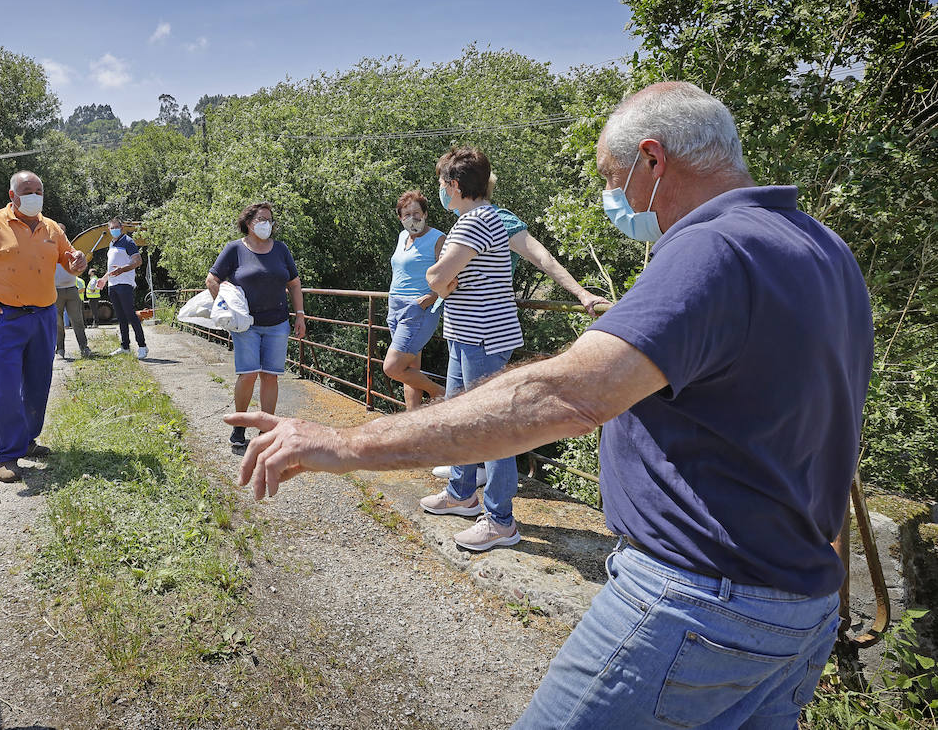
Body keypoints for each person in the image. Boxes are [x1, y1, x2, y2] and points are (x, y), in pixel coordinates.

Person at [233, 82, 873, 728]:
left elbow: (564, 395)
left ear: (653, 160)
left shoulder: (713, 248)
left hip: (700, 601)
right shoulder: (823, 247)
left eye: (611, 177)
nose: (613, 197)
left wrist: (341, 445)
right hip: (800, 610)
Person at [426, 172, 608, 480]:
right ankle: (463, 480)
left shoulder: (496, 219)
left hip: (484, 328)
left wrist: (581, 292)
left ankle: (482, 481)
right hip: (462, 326)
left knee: (485, 413)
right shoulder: (465, 220)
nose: (442, 191)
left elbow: (542, 257)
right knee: (460, 407)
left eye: (444, 186)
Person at [411, 146, 528, 552]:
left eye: (442, 184)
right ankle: (461, 493)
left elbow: (437, 277)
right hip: (470, 335)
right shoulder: (486, 218)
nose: (440, 191)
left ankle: (500, 521)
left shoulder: (473, 223)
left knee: (489, 429)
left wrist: (437, 277)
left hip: (481, 338)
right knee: (462, 416)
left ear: (455, 186)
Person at [0, 172, 86, 482]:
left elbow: (69, 259)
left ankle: (27, 441)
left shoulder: (51, 228)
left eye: (38, 190)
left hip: (44, 316)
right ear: (13, 195)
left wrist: (77, 263)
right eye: (27, 190)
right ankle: (7, 455)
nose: (34, 194)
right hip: (2, 318)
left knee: (38, 383)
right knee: (6, 387)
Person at [206, 202, 307, 453]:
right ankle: (239, 426)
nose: (267, 223)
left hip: (277, 323)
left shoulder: (281, 250)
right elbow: (212, 280)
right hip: (246, 326)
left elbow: (294, 284)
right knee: (248, 374)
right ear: (249, 223)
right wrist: (227, 309)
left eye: (269, 219)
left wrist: (300, 315)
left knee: (270, 376)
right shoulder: (235, 249)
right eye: (261, 219)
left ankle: (266, 430)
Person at [381, 191, 447, 410]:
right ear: (400, 218)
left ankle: (440, 392)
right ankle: (413, 420)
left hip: (418, 309)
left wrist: (431, 297)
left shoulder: (438, 239)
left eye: (416, 213)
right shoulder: (402, 237)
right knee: (410, 371)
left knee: (393, 367)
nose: (412, 218)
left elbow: (450, 276)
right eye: (406, 214)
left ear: (425, 214)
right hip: (396, 308)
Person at [98, 218, 148, 359]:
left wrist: (123, 269)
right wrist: (104, 279)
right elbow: (112, 267)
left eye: (116, 227)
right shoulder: (111, 244)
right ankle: (125, 346)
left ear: (121, 227)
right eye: (111, 228)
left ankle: (142, 346)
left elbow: (138, 261)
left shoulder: (128, 242)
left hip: (124, 284)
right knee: (120, 317)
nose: (114, 229)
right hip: (112, 285)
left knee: (131, 315)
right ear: (109, 229)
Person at [53, 224, 92, 359]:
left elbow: (80, 269)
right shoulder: (49, 250)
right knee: (57, 323)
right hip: (55, 291)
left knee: (77, 321)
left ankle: (84, 348)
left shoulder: (73, 250)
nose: (60, 235)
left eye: (62, 232)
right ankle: (60, 350)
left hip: (71, 289)